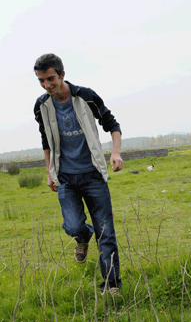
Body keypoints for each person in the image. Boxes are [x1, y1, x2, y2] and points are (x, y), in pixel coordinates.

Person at [33, 53, 123, 293]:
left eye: (50, 79)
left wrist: (116, 153)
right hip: (66, 179)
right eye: (41, 81)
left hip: (93, 175)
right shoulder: (41, 105)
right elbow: (46, 140)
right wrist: (49, 171)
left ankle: (112, 285)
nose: (47, 85)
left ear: (62, 74)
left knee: (106, 233)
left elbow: (112, 125)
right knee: (73, 226)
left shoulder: (86, 97)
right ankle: (83, 237)